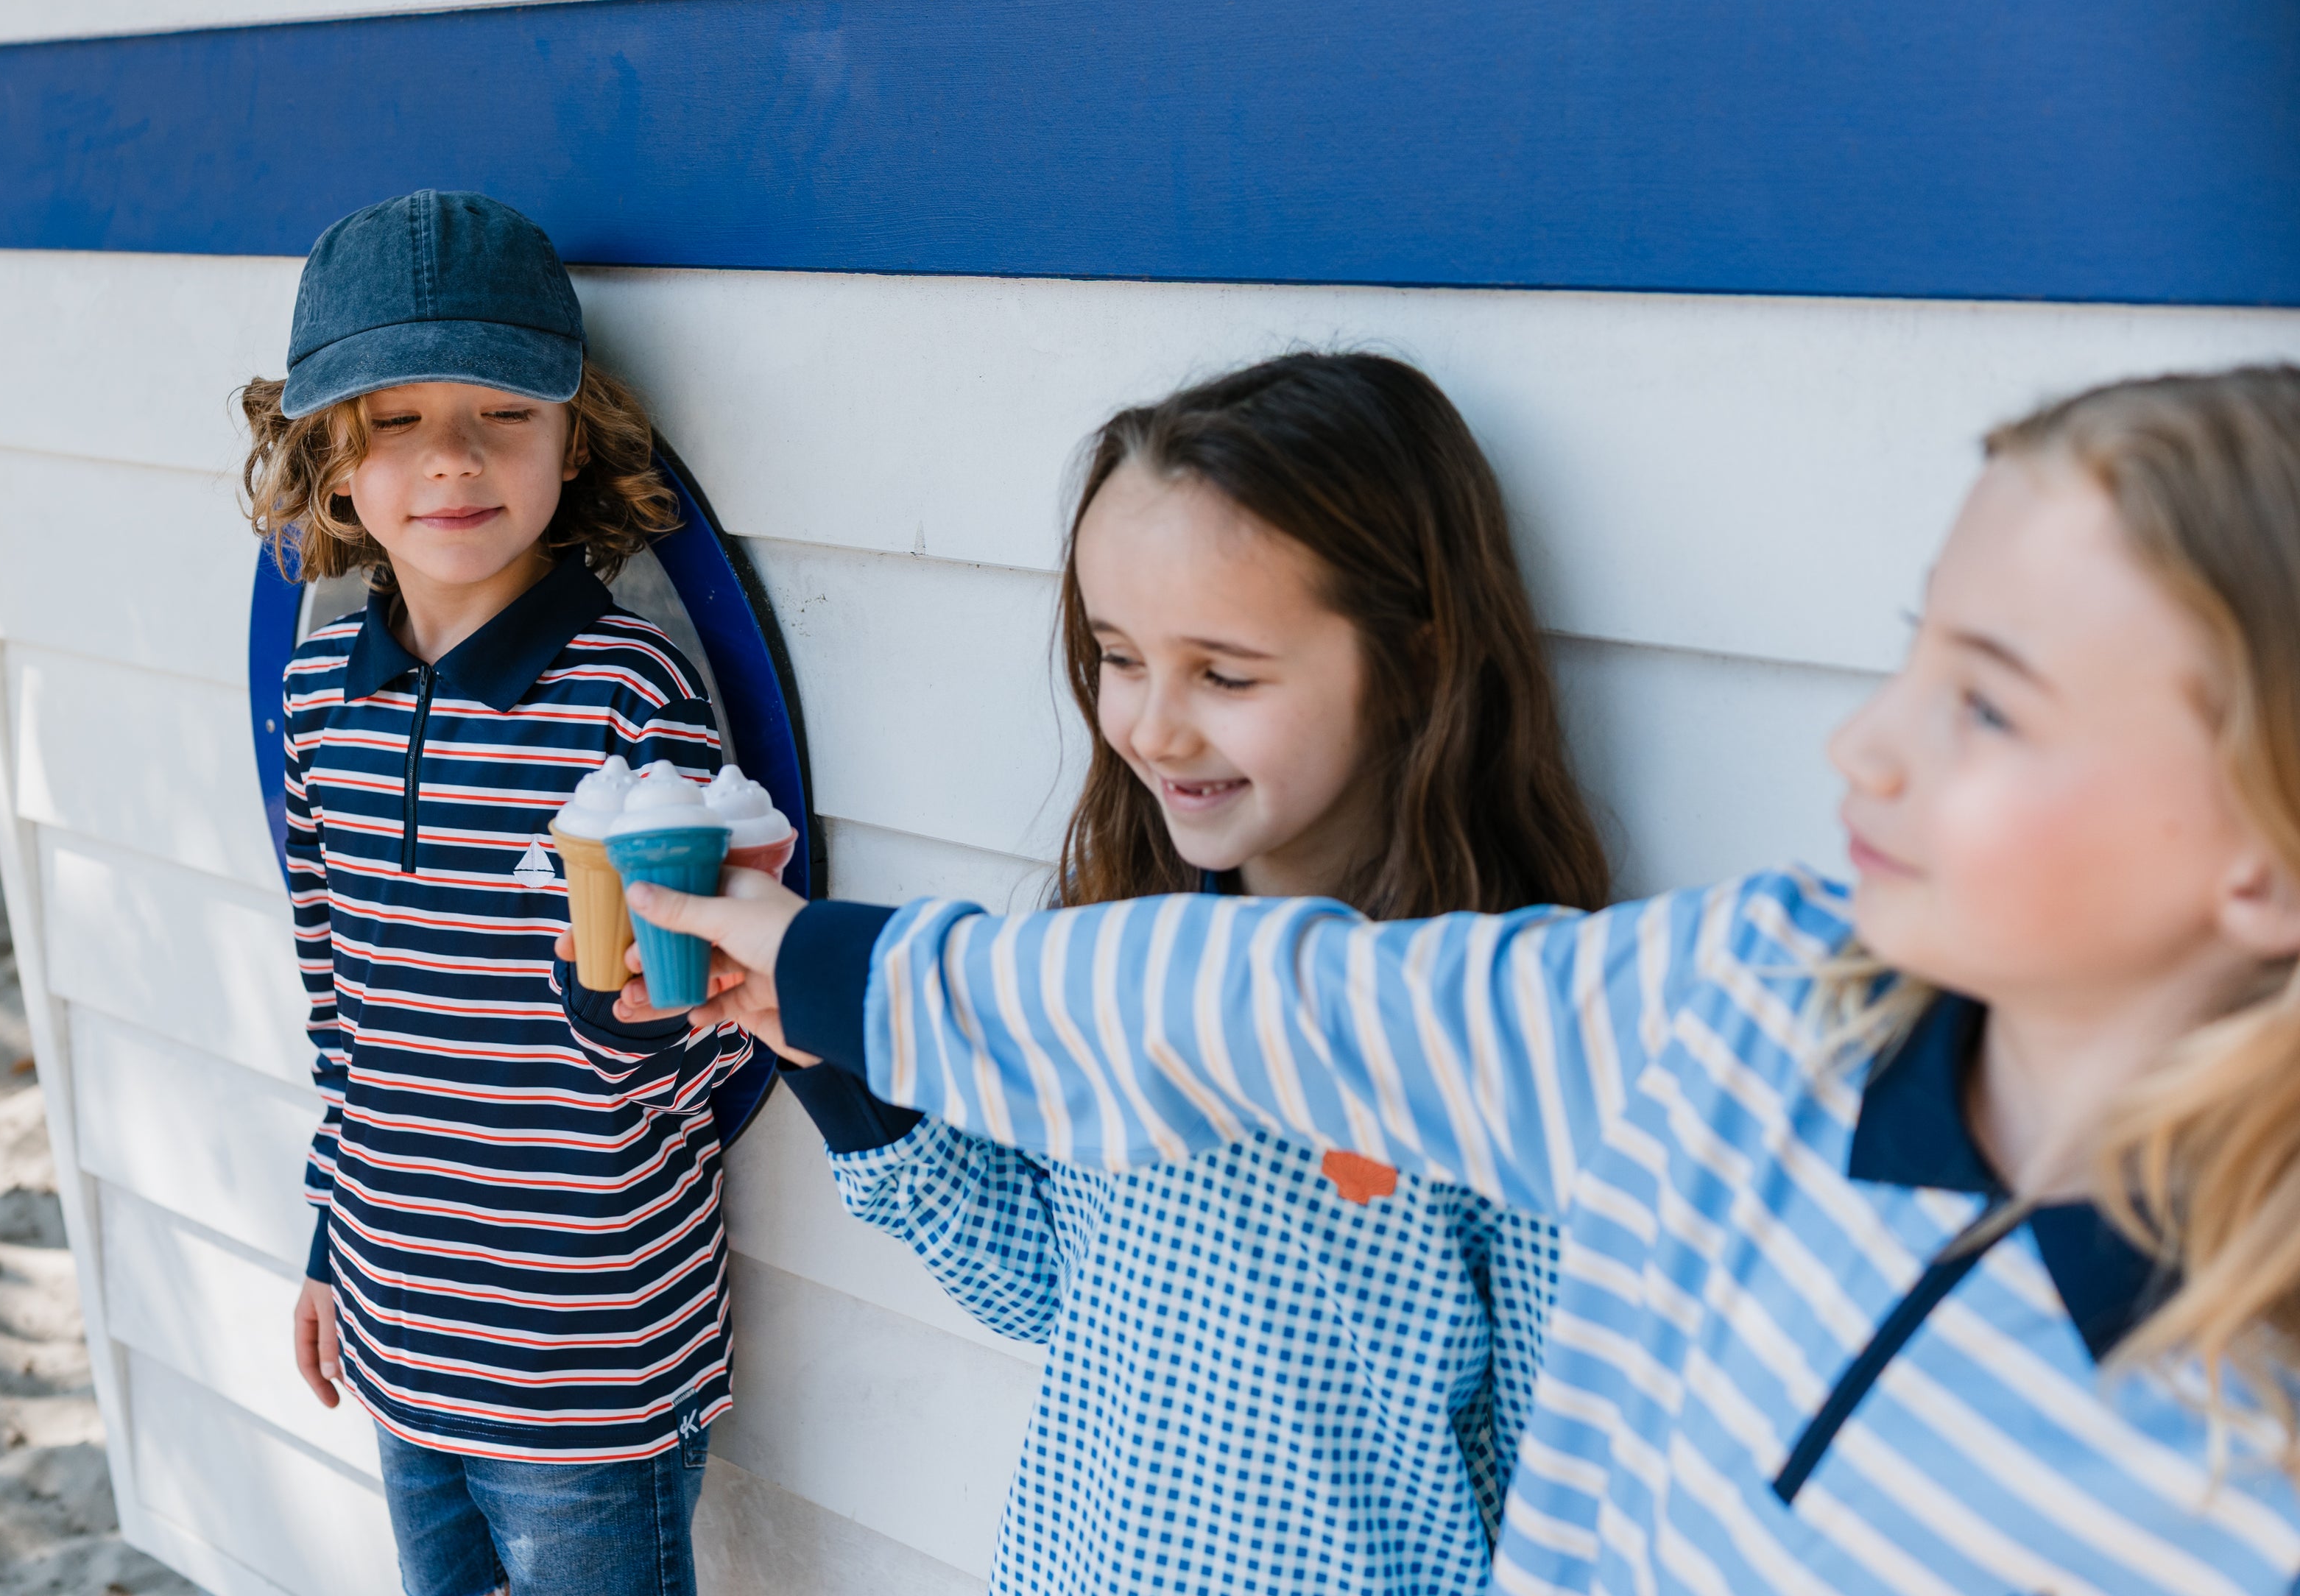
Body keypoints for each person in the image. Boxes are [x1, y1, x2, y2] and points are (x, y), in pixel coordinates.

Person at [638, 365, 2300, 1590]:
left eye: (1989, 703)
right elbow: (1253, 1014)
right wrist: (822, 994)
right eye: (1911, 653)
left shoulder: (2235, 1463)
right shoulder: (1740, 1001)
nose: (1861, 745)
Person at [631, 354, 1604, 1590]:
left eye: (1225, 673)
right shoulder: (1103, 955)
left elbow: (1565, 1496)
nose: (1149, 725)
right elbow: (1050, 1285)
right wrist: (832, 1063)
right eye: (1119, 658)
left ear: (1413, 653)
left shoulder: (1512, 1037)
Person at [239, 189, 754, 1596]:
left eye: (501, 415)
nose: (452, 460)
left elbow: (692, 1028)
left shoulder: (626, 696)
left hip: (586, 1355)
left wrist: (620, 995)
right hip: (402, 1328)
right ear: (331, 464)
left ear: (570, 438)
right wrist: (331, 1240)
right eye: (397, 420)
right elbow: (344, 1018)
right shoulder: (313, 700)